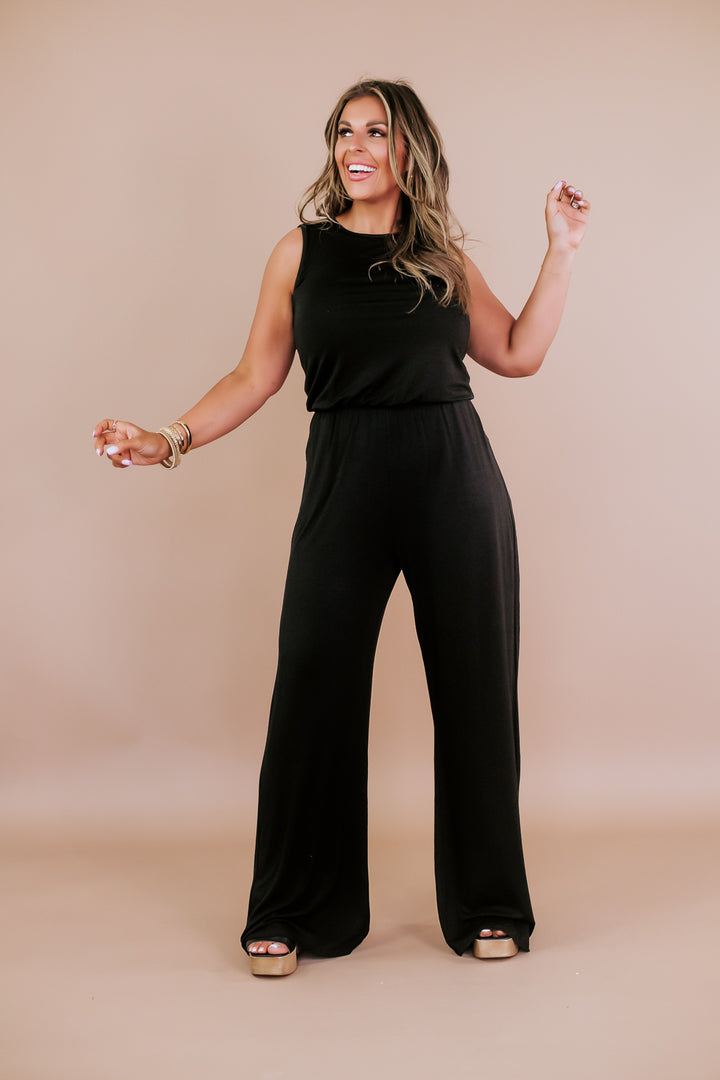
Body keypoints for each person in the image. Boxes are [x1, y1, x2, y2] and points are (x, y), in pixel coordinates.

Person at [93, 78, 590, 977]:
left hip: (455, 480)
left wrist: (561, 250)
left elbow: (518, 353)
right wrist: (167, 440)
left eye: (376, 131)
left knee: (477, 697)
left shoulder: (442, 258)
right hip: (345, 481)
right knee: (312, 690)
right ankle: (293, 909)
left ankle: (489, 905)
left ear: (410, 151)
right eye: (344, 132)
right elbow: (254, 376)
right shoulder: (301, 252)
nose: (355, 147)